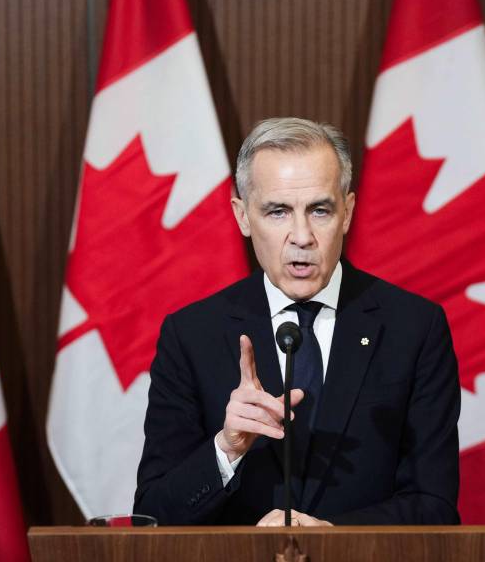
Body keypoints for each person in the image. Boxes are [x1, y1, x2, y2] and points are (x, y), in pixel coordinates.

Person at [134, 117, 460, 526]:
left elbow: (435, 506)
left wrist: (334, 538)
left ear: (347, 213)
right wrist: (227, 448)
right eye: (278, 212)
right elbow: (151, 516)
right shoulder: (191, 335)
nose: (302, 236)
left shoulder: (414, 328)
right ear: (243, 217)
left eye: (319, 210)